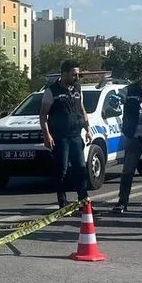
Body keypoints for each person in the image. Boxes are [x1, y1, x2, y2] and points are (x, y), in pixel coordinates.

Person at [40, 59, 93, 209]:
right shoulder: (52, 91)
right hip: (60, 137)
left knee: (80, 169)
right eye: (73, 74)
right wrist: (47, 135)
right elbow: (43, 115)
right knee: (61, 169)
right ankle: (62, 202)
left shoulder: (77, 88)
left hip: (76, 135)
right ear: (63, 74)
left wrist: (88, 129)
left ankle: (84, 201)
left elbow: (82, 110)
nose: (76, 78)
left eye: (78, 75)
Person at [113, 70, 142, 215]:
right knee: (128, 170)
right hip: (134, 136)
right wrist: (115, 101)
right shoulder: (130, 89)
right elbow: (118, 100)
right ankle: (122, 202)